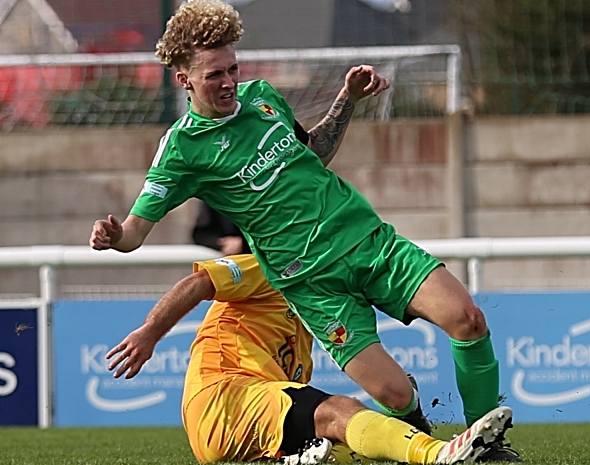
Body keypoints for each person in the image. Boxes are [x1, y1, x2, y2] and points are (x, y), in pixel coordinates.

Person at [89, 1, 519, 458]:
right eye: (215, 74)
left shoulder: (262, 96)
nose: (230, 82)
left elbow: (311, 152)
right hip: (311, 284)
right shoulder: (180, 150)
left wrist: (347, 99)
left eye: (233, 68)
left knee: (467, 319)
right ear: (184, 80)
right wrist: (114, 237)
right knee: (393, 397)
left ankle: (486, 444)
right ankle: (421, 443)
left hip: (367, 242)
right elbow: (134, 232)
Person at [106, 254, 514, 464]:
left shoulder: (312, 316)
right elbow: (198, 282)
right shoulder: (271, 267)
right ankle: (437, 454)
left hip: (248, 410)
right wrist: (150, 333)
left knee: (339, 439)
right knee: (338, 411)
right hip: (225, 396)